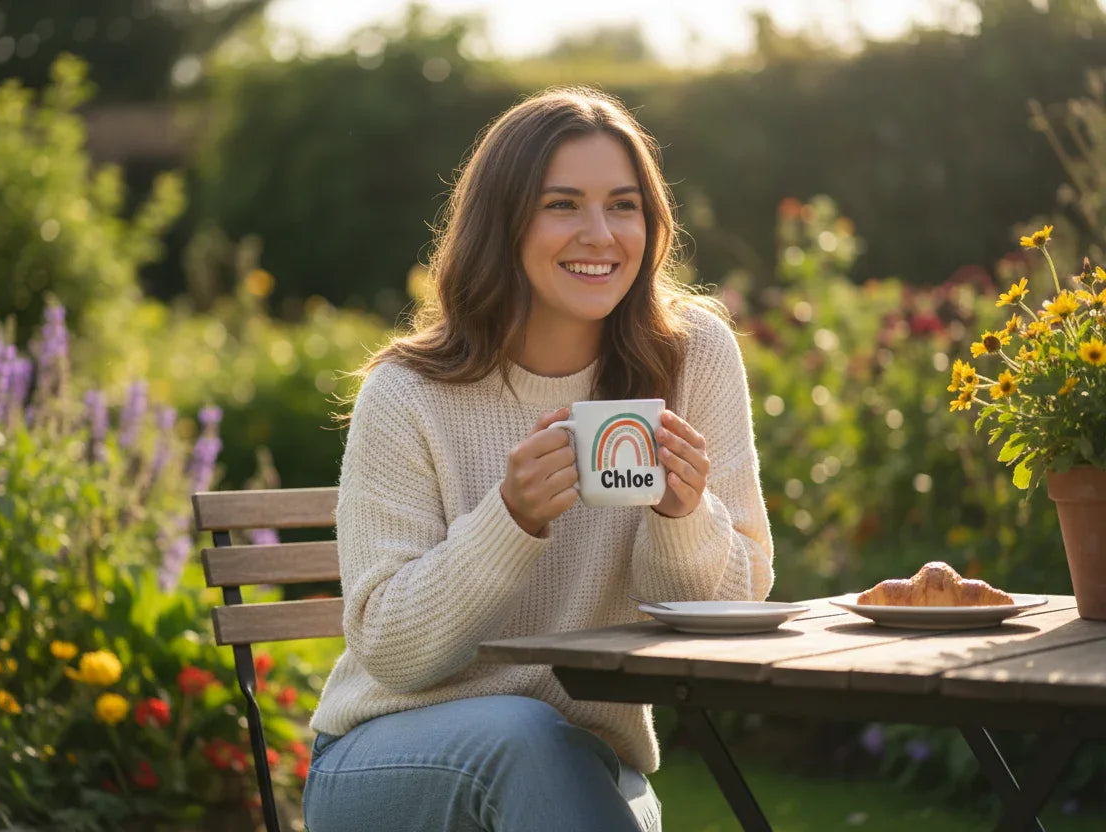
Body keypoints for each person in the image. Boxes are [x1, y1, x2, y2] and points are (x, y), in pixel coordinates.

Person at [302, 86, 774, 832]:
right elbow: (392, 651)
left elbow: (734, 610)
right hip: (386, 759)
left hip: (584, 767)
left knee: (552, 759)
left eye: (624, 205)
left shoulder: (693, 358)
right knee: (526, 742)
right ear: (503, 224)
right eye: (563, 205)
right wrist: (509, 519)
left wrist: (684, 516)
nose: (601, 234)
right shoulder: (408, 392)